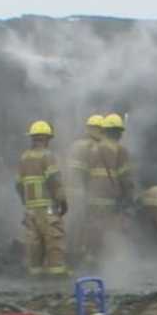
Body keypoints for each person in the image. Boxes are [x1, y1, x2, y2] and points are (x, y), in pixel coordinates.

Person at [16, 120, 68, 278]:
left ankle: (35, 276)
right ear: (46, 138)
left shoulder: (24, 157)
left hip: (31, 211)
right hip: (48, 209)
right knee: (54, 244)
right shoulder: (48, 156)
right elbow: (54, 181)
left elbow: (18, 184)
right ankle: (57, 277)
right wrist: (63, 201)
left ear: (32, 138)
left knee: (34, 244)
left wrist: (26, 202)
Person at [82, 113, 134, 270]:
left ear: (104, 131)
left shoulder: (92, 148)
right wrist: (128, 197)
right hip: (110, 199)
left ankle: (90, 260)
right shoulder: (121, 150)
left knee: (93, 228)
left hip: (92, 198)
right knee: (111, 231)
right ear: (119, 132)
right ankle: (108, 264)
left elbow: (83, 175)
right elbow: (126, 178)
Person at [67, 113, 104, 267]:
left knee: (72, 225)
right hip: (83, 192)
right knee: (88, 224)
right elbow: (91, 175)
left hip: (69, 191)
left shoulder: (75, 144)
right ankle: (85, 257)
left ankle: (70, 255)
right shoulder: (95, 147)